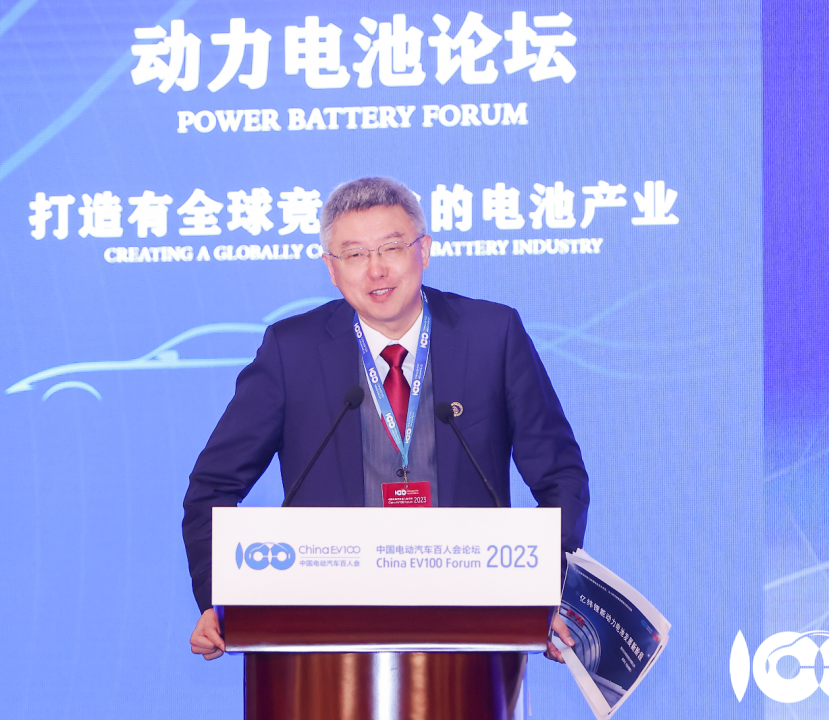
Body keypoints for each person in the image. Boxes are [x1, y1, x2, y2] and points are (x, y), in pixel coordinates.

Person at [183, 177, 590, 662]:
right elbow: (213, 486)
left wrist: (550, 591)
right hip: (326, 631)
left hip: (472, 624)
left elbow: (559, 474)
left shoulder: (492, 334)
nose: (375, 269)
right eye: (354, 254)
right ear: (331, 269)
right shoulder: (292, 351)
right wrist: (218, 601)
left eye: (392, 248)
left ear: (425, 250)